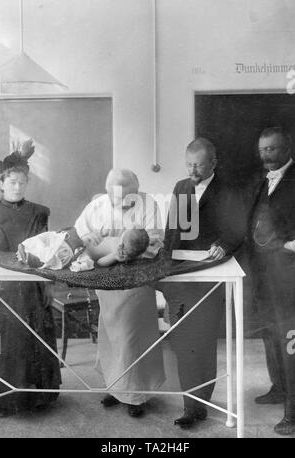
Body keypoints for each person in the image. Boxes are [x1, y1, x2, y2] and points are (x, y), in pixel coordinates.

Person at [159, 137, 245, 429]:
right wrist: (165, 265)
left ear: (213, 163)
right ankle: (189, 406)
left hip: (209, 276)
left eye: (197, 164)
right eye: (188, 164)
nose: (192, 169)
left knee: (203, 341)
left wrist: (224, 245)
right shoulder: (181, 187)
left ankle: (200, 405)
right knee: (183, 341)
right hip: (181, 276)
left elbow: (237, 229)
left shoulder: (229, 190)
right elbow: (173, 229)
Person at [74, 168, 165, 417]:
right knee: (111, 332)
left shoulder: (148, 204)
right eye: (116, 198)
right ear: (107, 191)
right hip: (107, 279)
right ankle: (116, 388)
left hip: (136, 277)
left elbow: (155, 240)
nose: (122, 203)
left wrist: (127, 250)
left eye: (128, 198)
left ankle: (136, 396)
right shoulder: (98, 205)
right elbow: (82, 230)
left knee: (132, 334)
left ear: (136, 192)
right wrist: (88, 236)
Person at [0, 140, 61, 417]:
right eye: (12, 182)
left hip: (33, 287)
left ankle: (36, 398)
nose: (18, 187)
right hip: (1, 290)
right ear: (1, 182)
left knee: (34, 337)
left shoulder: (39, 212)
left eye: (23, 182)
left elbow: (47, 253)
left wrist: (49, 285)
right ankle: (4, 398)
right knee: (4, 342)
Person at [248, 126, 295, 436]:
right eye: (263, 149)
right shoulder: (261, 181)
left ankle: (293, 411)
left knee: (291, 340)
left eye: (273, 149)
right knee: (270, 334)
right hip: (265, 275)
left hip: (290, 274)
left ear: (287, 147)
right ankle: (279, 389)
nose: (266, 155)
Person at [17, 226, 150, 270]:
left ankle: (32, 256)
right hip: (76, 239)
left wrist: (114, 257)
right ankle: (27, 249)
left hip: (78, 250)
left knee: (54, 250)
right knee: (51, 239)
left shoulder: (117, 250)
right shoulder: (119, 239)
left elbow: (100, 263)